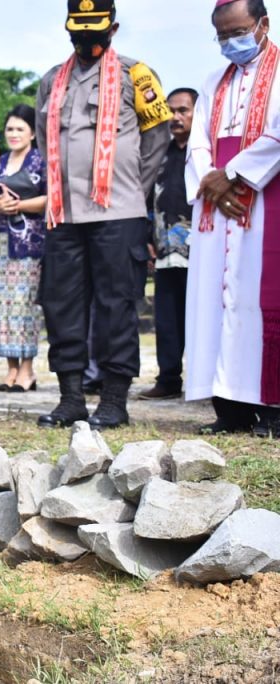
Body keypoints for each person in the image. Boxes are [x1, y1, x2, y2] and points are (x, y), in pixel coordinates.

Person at [35, 0, 172, 429]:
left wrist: (130, 190)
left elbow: (157, 139)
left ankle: (114, 400)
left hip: (118, 213)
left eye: (94, 31)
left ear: (112, 29)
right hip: (64, 214)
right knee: (61, 306)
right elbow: (44, 139)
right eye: (78, 31)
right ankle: (71, 398)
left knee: (116, 306)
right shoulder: (51, 80)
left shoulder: (137, 75)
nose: (86, 40)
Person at [186, 0, 279, 439]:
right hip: (218, 206)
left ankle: (274, 409)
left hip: (267, 197)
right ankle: (231, 408)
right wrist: (212, 182)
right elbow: (197, 141)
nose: (229, 42)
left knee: (261, 301)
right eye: (222, 35)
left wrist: (235, 175)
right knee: (217, 305)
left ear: (263, 24)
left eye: (238, 32)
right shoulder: (213, 81)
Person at [0, 104, 48, 393]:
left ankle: (27, 371)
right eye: (10, 128)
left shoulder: (40, 161)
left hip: (29, 246)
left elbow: (50, 198)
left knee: (25, 306)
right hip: (0, 246)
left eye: (20, 128)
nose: (14, 133)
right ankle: (11, 369)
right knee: (3, 309)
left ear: (32, 133)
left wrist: (19, 205)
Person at [139, 88, 198, 401]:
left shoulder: (204, 154)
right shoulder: (159, 154)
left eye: (183, 110)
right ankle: (168, 379)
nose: (175, 117)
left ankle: (205, 383)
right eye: (170, 110)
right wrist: (147, 236)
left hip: (200, 252)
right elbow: (148, 198)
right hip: (164, 252)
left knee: (200, 319)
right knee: (166, 320)